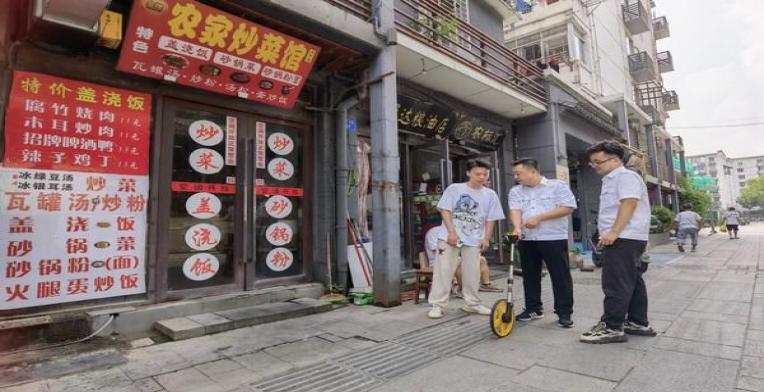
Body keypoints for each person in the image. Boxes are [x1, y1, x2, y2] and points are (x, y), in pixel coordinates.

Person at [580, 141, 656, 344]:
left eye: (598, 162)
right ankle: (638, 322)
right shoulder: (612, 178)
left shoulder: (625, 177)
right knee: (633, 281)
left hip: (622, 238)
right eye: (592, 163)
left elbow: (629, 203)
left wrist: (614, 232)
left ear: (615, 160)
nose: (595, 166)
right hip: (628, 237)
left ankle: (612, 327)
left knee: (616, 283)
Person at [427, 160, 505, 319]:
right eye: (478, 174)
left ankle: (472, 304)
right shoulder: (455, 188)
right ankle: (437, 305)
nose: (482, 177)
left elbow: (491, 219)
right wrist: (451, 232)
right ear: (468, 173)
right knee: (444, 270)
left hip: (474, 238)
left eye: (485, 174)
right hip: (449, 237)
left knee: (473, 272)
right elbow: (445, 210)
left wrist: (487, 238)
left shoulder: (490, 194)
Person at [508, 158, 577, 328]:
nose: (516, 177)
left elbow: (568, 207)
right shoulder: (515, 191)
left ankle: (564, 313)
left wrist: (539, 218)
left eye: (519, 173)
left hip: (553, 237)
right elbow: (515, 210)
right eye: (514, 174)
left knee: (560, 276)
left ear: (532, 171)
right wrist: (517, 227)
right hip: (527, 238)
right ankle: (533, 309)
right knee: (530, 275)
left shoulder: (557, 186)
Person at [423, 228, 502, 294]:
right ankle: (462, 289)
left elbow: (462, 246)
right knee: (460, 262)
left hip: (455, 257)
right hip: (438, 260)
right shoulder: (432, 232)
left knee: (481, 259)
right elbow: (436, 251)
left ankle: (486, 284)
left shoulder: (455, 232)